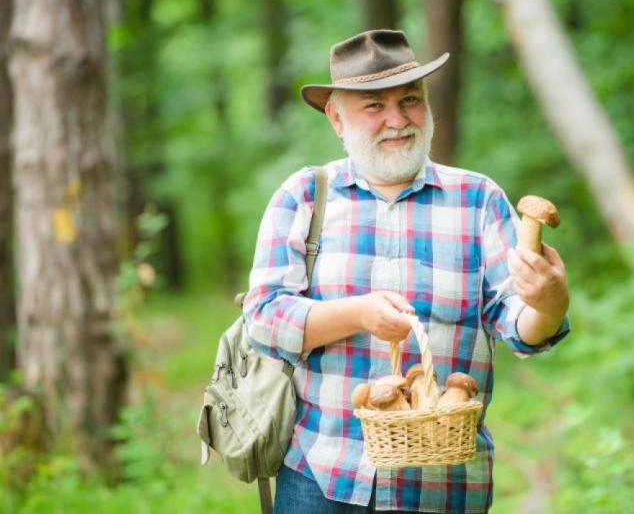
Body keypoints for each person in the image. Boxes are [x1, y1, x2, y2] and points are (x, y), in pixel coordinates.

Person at [243, 29, 570, 513]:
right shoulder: (305, 196)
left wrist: (549, 302)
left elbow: (522, 329)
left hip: (443, 485)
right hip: (321, 477)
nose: (397, 120)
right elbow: (264, 319)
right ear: (337, 118)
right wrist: (359, 313)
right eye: (373, 106)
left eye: (411, 100)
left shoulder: (478, 199)